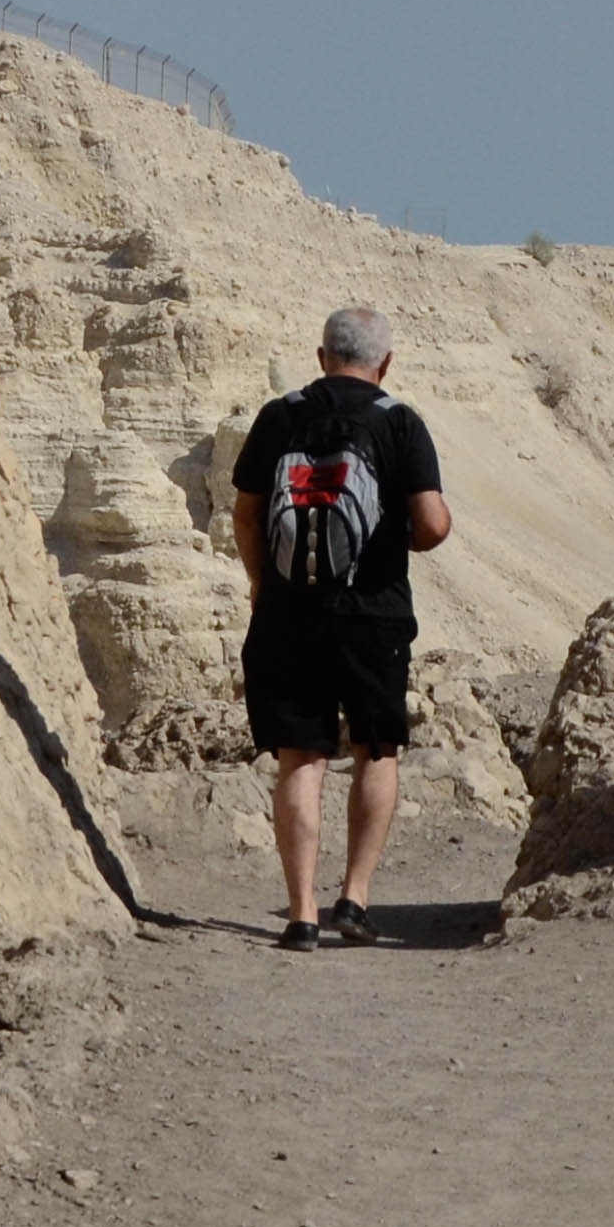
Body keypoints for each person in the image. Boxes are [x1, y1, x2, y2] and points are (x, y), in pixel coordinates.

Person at [230, 304, 454, 949]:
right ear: (385, 363)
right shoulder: (397, 422)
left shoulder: (280, 416)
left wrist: (259, 583)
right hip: (373, 613)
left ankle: (300, 913)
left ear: (322, 356)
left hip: (286, 613)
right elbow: (433, 524)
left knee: (301, 759)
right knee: (375, 751)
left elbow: (247, 516)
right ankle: (353, 901)